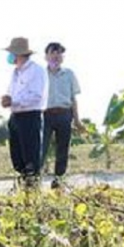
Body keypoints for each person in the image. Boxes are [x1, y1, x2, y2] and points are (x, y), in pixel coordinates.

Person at [1, 37, 48, 188]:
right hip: (15, 117)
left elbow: (36, 96)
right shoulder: (16, 73)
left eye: (11, 53)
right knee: (18, 158)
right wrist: (7, 99)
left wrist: (13, 101)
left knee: (31, 160)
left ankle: (32, 190)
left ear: (18, 54)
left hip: (30, 117)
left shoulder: (36, 71)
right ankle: (23, 189)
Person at [43, 42, 85, 188]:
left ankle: (58, 181)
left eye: (59, 53)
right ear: (46, 56)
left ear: (62, 57)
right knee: (41, 148)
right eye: (53, 52)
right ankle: (35, 179)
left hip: (64, 114)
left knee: (63, 149)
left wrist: (77, 120)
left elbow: (73, 98)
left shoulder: (69, 74)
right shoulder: (41, 74)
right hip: (45, 115)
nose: (56, 55)